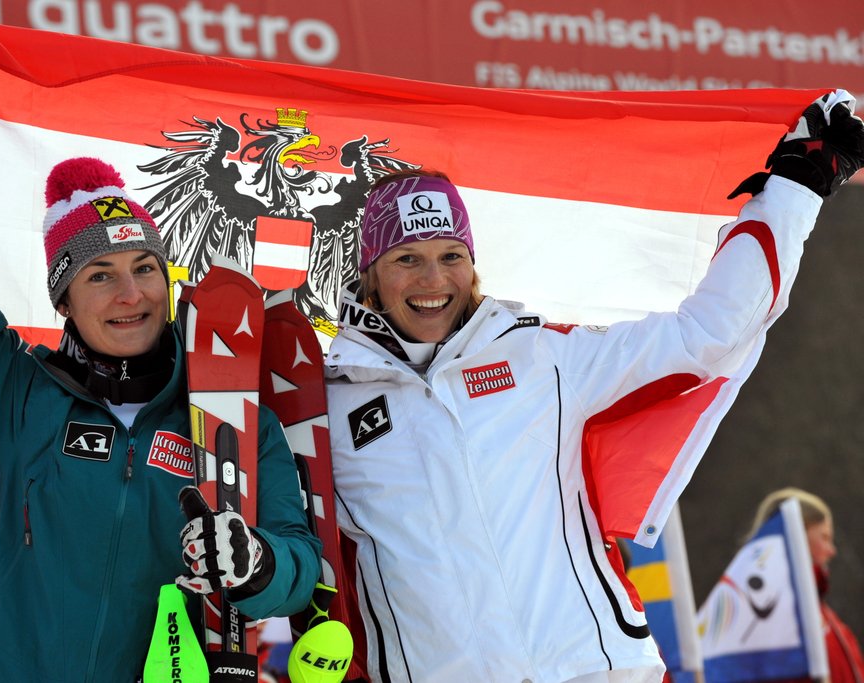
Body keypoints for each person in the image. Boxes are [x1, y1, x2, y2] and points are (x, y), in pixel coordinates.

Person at [0, 2, 321, 681]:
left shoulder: (232, 416)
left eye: (144, 269)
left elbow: (301, 569)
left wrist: (259, 564)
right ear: (64, 300)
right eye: (100, 276)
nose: (131, 295)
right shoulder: (16, 389)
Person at [323, 97, 864, 680]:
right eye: (407, 259)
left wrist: (795, 190)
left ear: (472, 265)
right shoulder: (327, 403)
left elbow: (707, 335)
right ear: (371, 274)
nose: (434, 280)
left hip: (595, 669)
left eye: (451, 255)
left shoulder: (542, 358)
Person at [748, 488, 864, 683]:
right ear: (797, 536)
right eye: (824, 537)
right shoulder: (770, 614)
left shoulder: (822, 611)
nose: (832, 551)